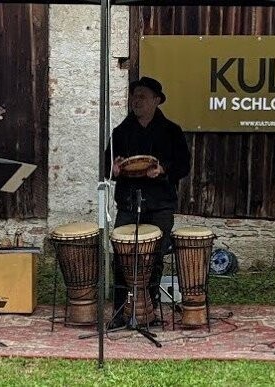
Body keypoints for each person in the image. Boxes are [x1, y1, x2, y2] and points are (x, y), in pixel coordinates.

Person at [105, 76, 191, 328]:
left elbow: (184, 166)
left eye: (142, 96)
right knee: (121, 259)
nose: (137, 101)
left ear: (156, 100)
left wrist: (163, 169)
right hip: (128, 205)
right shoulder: (121, 132)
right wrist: (114, 169)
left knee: (153, 258)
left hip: (160, 204)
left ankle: (148, 311)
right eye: (134, 96)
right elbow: (106, 168)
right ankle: (121, 311)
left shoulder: (171, 131)